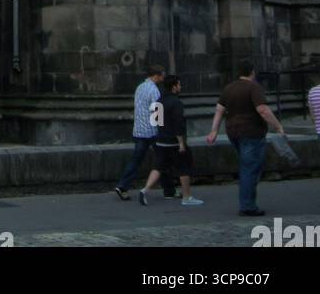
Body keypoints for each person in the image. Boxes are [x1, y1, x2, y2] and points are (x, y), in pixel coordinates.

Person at [206, 60, 286, 216]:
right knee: (250, 168)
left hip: (233, 132)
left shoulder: (229, 88)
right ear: (252, 72)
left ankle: (247, 199)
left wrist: (214, 130)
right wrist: (278, 126)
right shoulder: (254, 87)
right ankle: (247, 205)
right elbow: (263, 110)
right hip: (251, 132)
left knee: (249, 166)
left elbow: (219, 110)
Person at [138, 75, 204, 206]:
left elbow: (155, 121)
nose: (180, 87)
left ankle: (144, 190)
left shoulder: (158, 101)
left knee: (158, 167)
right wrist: (181, 143)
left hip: (161, 139)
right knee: (183, 167)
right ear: (174, 87)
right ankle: (187, 197)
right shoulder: (176, 103)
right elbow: (178, 124)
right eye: (179, 85)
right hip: (173, 141)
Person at [114, 65, 173, 200]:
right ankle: (169, 190)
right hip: (152, 131)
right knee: (163, 160)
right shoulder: (154, 90)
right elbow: (156, 113)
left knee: (136, 160)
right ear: (156, 76)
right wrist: (163, 128)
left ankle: (123, 185)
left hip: (139, 130)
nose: (163, 78)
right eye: (162, 75)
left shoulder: (140, 87)